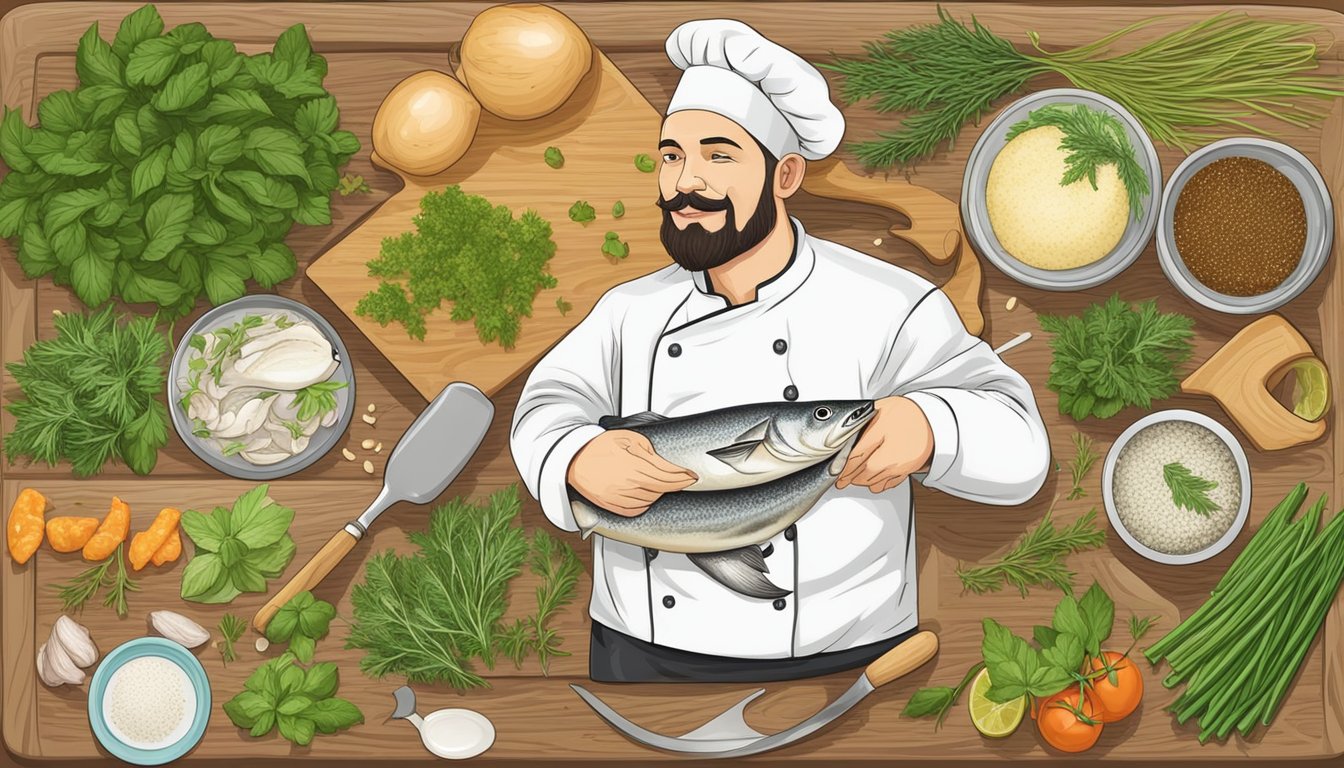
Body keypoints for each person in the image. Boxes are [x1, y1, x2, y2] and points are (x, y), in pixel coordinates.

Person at [509, 18, 1050, 683]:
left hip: (851, 652)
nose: (685, 181)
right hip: (641, 648)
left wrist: (934, 427)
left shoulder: (887, 303)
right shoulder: (630, 313)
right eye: (672, 155)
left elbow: (1023, 448)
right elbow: (543, 407)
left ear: (785, 174)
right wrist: (573, 458)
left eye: (718, 155)